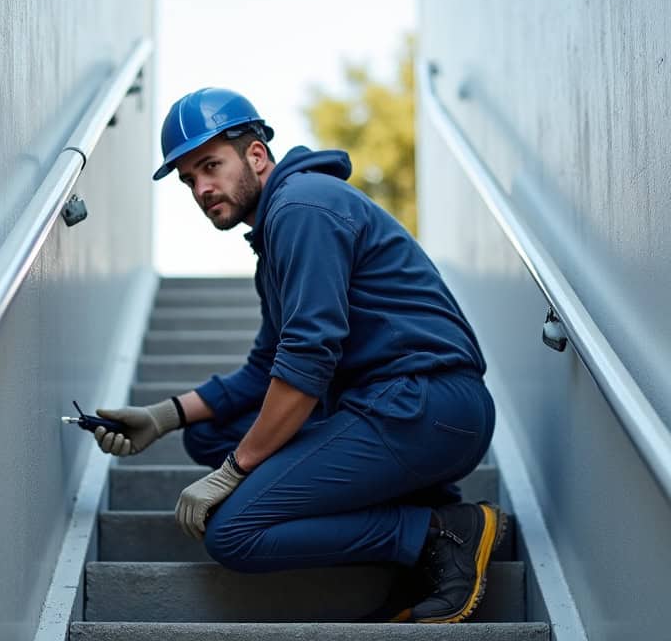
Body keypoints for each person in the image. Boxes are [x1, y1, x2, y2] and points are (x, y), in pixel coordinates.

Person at [93, 87, 503, 624]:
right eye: (189, 178)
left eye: (211, 165)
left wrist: (236, 470)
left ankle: (441, 531)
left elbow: (307, 359)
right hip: (389, 407)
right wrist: (163, 416)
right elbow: (267, 368)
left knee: (235, 531)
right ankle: (422, 516)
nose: (201, 188)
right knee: (209, 433)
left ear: (257, 156)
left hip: (425, 408)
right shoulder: (281, 228)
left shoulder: (302, 208)